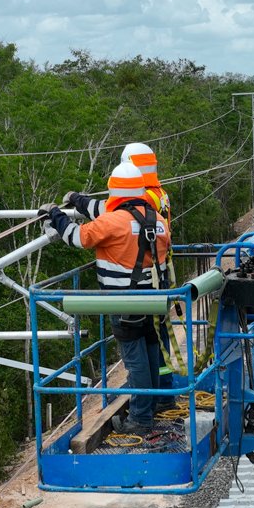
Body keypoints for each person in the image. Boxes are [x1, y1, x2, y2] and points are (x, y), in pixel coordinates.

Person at [40, 161, 171, 433]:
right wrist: (78, 200)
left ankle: (140, 420)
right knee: (150, 351)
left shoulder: (113, 221)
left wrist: (54, 214)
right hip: (156, 298)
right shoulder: (157, 220)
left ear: (115, 194)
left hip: (125, 302)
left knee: (136, 362)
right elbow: (101, 210)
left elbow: (77, 237)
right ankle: (155, 404)